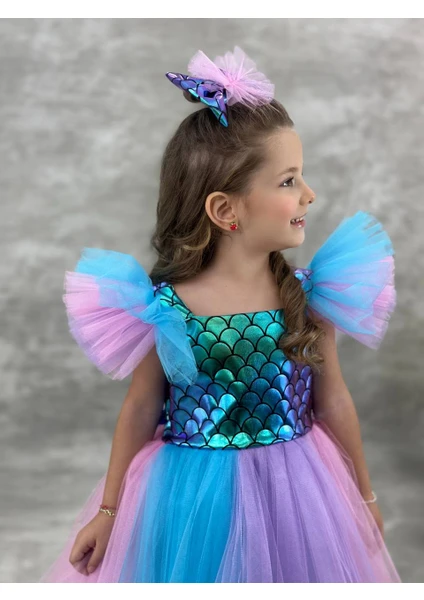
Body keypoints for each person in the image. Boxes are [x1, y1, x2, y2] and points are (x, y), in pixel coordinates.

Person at [39, 45, 401, 583]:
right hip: (192, 498)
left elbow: (334, 400)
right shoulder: (166, 307)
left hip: (299, 492)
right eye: (288, 181)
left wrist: (362, 496)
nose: (310, 194)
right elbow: (141, 407)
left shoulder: (307, 295)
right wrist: (110, 511)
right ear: (225, 209)